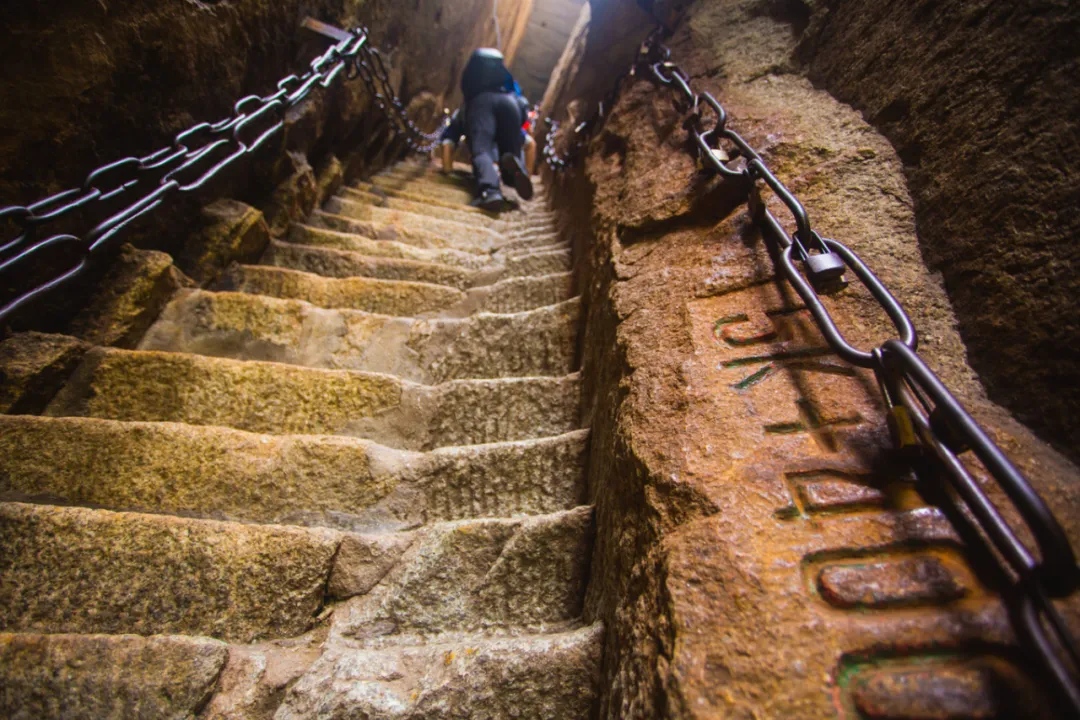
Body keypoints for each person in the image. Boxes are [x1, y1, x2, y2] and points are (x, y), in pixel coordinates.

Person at [438, 48, 534, 210]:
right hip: (511, 105)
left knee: (482, 150)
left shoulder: (468, 106)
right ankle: (512, 174)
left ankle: (490, 191)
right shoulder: (508, 90)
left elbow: (447, 143)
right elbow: (531, 144)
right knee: (510, 149)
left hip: (481, 106)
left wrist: (447, 171)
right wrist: (528, 175)